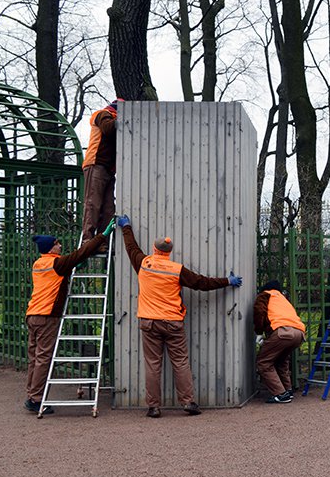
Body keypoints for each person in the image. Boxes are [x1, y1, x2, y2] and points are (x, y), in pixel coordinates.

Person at [118, 214, 242, 418]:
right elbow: (202, 282)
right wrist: (227, 281)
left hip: (148, 322)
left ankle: (154, 407)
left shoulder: (144, 263)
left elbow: (131, 247)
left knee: (152, 364)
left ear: (154, 249)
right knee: (181, 362)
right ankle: (188, 402)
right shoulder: (177, 270)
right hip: (172, 322)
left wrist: (126, 227)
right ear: (169, 252)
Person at [24, 219, 116, 415]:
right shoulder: (57, 263)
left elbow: (60, 273)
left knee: (34, 358)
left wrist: (76, 266)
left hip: (32, 314)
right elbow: (79, 254)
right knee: (43, 358)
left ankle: (31, 394)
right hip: (47, 315)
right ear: (50, 248)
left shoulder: (39, 264)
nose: (60, 245)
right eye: (57, 243)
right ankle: (37, 398)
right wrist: (104, 234)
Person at [252, 280, 306, 404]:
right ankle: (288, 390)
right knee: (282, 361)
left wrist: (259, 332)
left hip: (283, 332)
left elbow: (259, 312)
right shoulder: (283, 299)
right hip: (299, 333)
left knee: (263, 362)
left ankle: (280, 394)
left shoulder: (265, 295)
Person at [81, 98, 123, 246]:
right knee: (93, 203)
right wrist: (124, 117)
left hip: (108, 169)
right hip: (96, 164)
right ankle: (87, 240)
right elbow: (108, 128)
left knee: (108, 207)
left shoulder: (113, 118)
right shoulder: (104, 114)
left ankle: (101, 241)